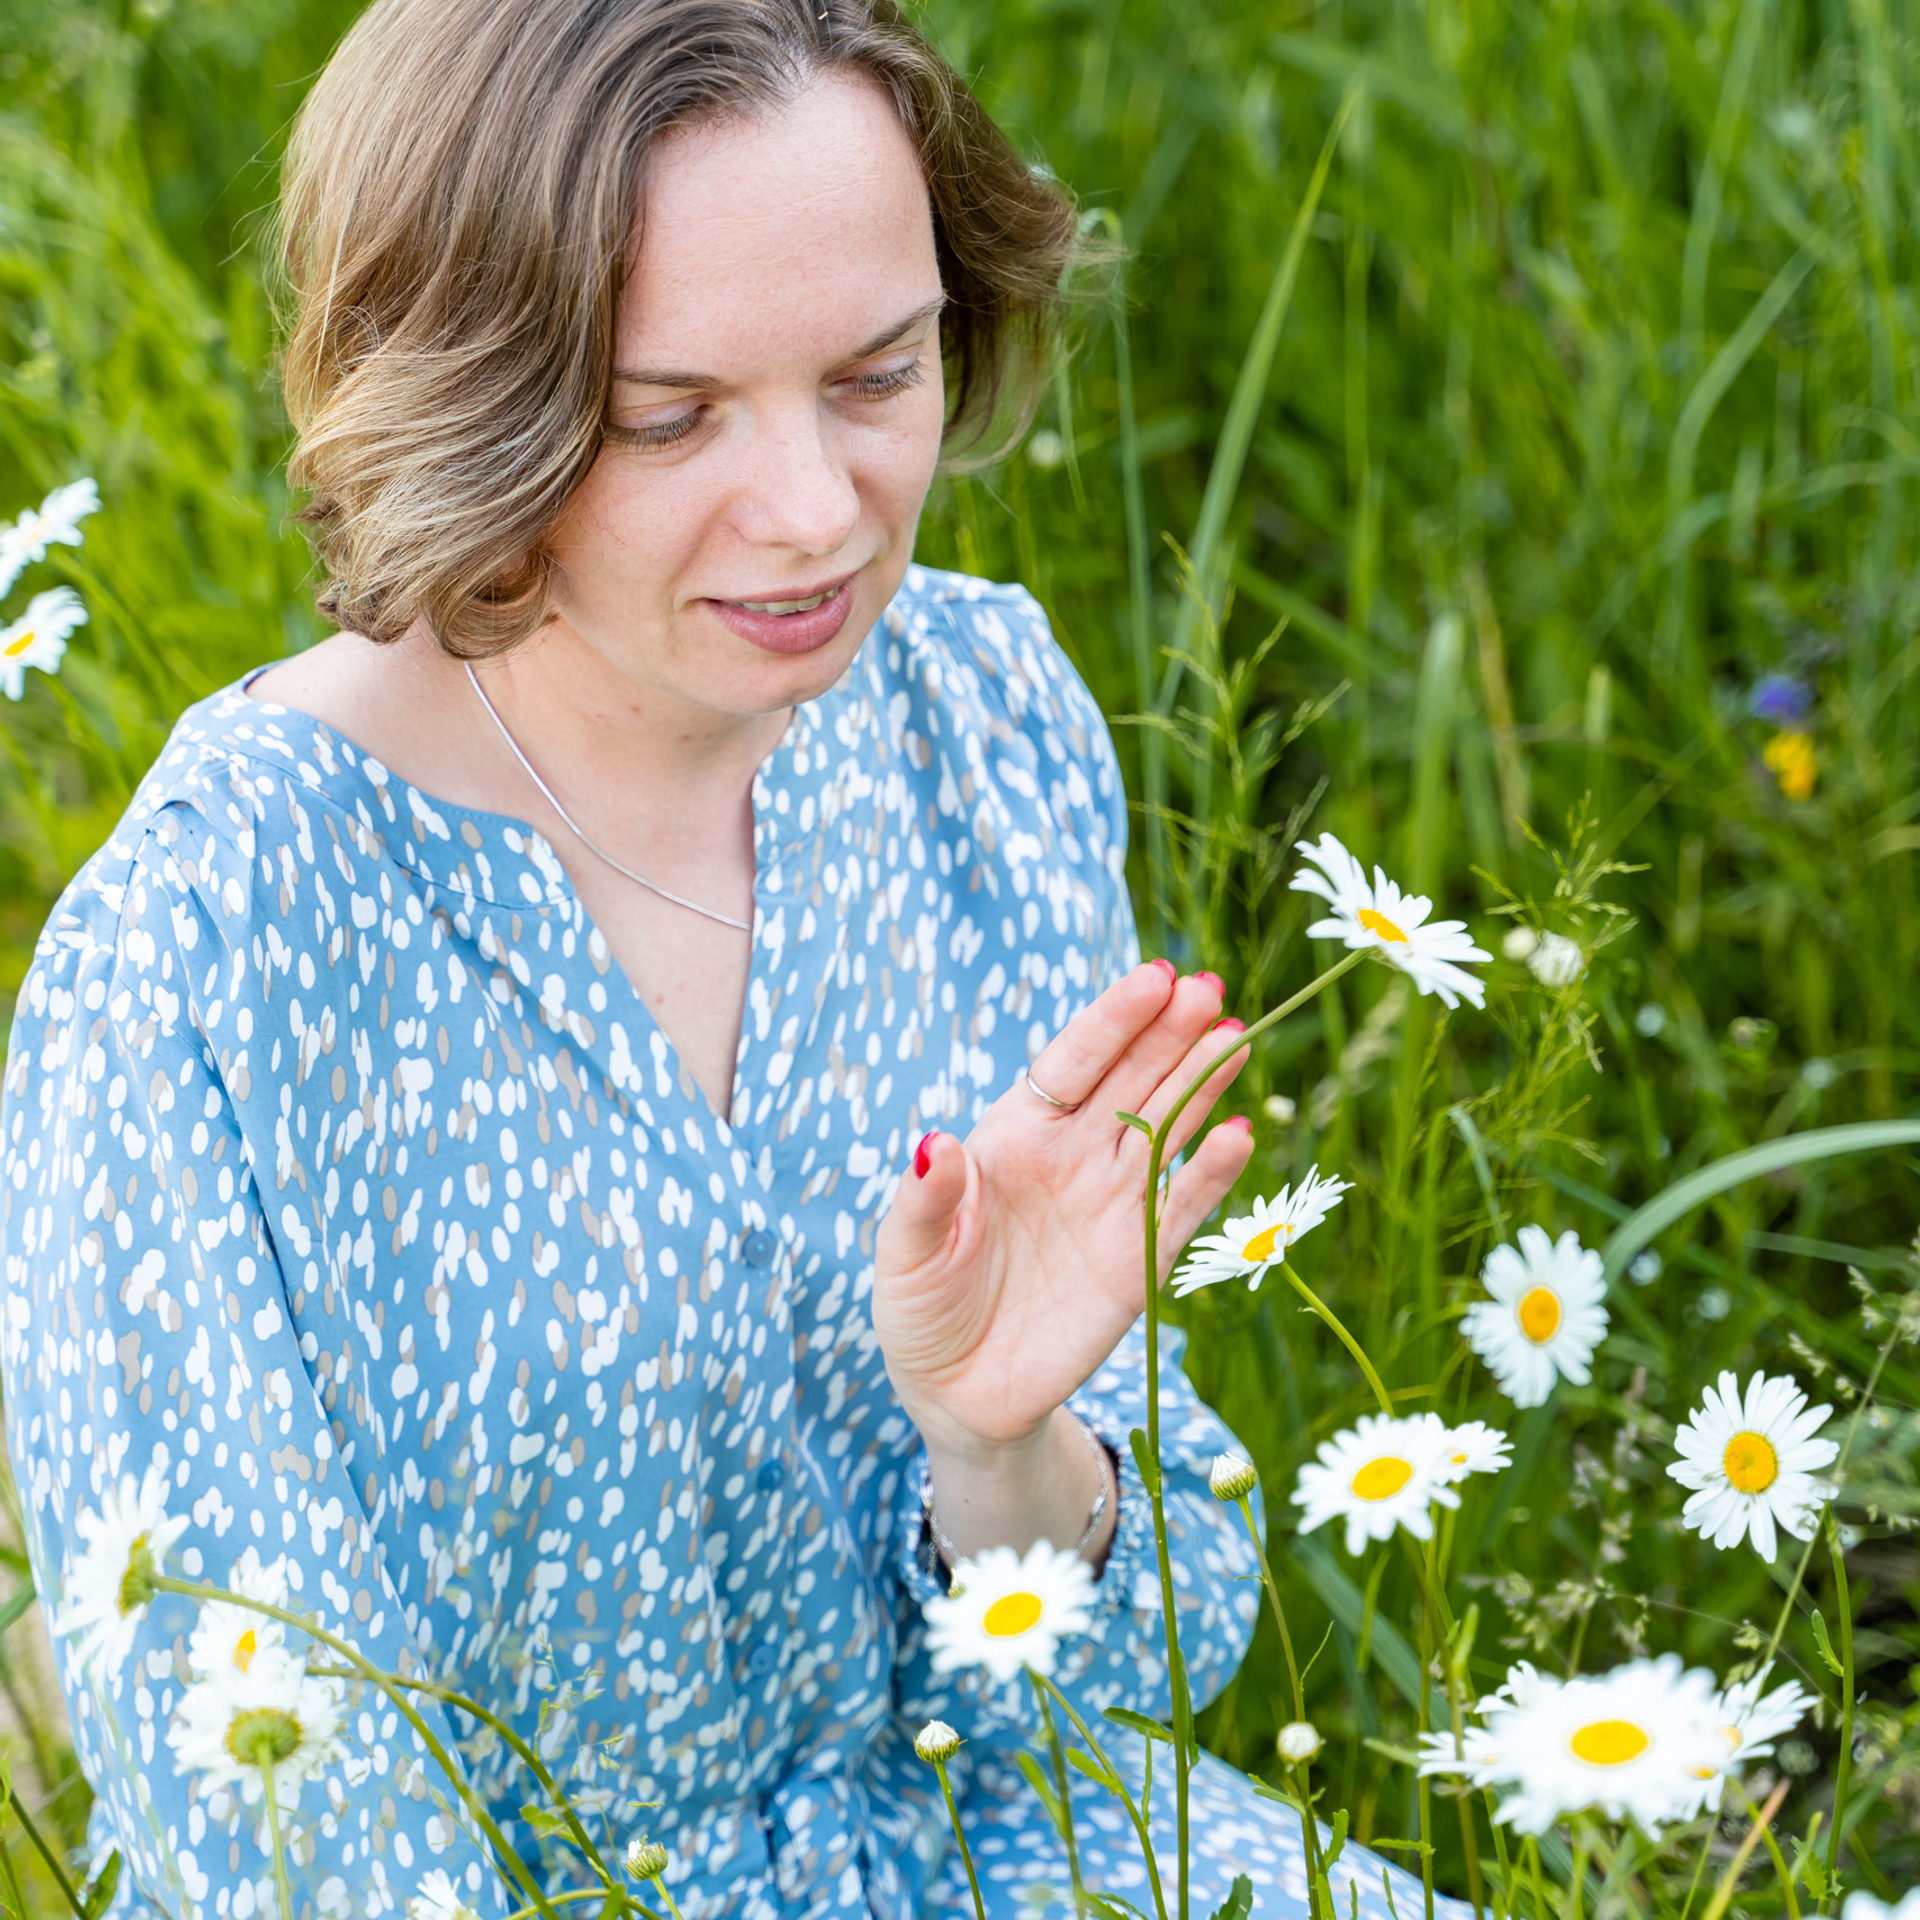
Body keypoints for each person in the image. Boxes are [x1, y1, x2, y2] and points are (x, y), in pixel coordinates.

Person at [0, 3, 1454, 1915]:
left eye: (879, 375)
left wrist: (1000, 1449)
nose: (817, 513)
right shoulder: (204, 957)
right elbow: (279, 1828)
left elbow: (1115, 1690)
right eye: (669, 415)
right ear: (472, 402)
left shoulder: (978, 715)